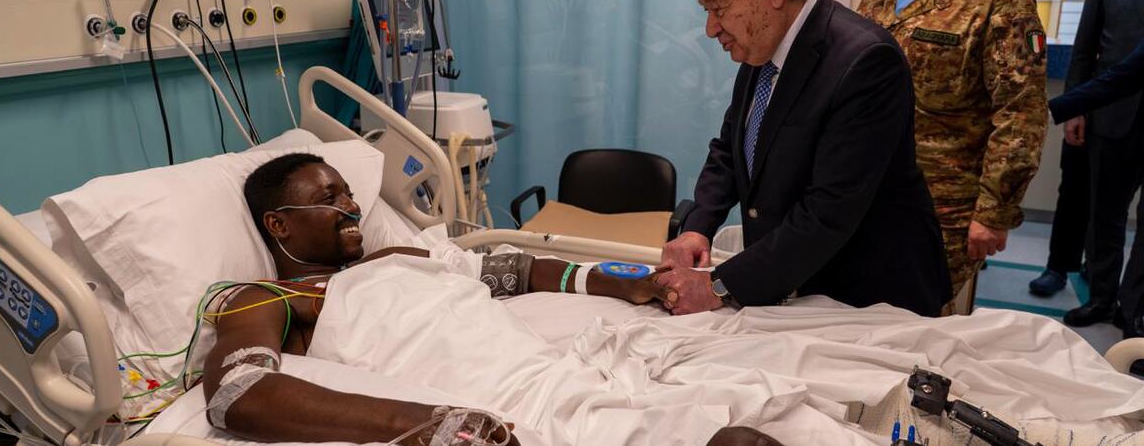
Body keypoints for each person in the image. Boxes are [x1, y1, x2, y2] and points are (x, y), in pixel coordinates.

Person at [202, 153, 783, 446]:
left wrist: (624, 281)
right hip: (491, 407)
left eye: (351, 193)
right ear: (279, 224)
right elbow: (238, 393)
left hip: (551, 374)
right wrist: (421, 425)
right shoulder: (271, 298)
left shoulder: (399, 256)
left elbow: (520, 269)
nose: (352, 208)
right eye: (330, 198)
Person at [657, 0, 951, 317]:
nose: (711, 28)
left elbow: (827, 214)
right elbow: (732, 148)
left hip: (869, 300)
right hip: (798, 286)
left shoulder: (865, 62)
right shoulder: (765, 43)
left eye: (719, 7)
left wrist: (719, 285)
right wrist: (697, 225)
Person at [856, 0, 1048, 314]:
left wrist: (994, 213)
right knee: (860, 317)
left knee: (917, 321)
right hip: (866, 196)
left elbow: (1020, 114)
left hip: (943, 208)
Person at [1031, 0, 1142, 297]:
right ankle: (1067, 272)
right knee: (1085, 196)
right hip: (1106, 107)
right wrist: (1074, 106)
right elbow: (1085, 45)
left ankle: (1128, 307)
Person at [1060, 0, 1144, 330]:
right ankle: (1101, 298)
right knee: (1104, 214)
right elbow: (1086, 45)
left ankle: (1135, 312)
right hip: (1113, 114)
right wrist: (1076, 109)